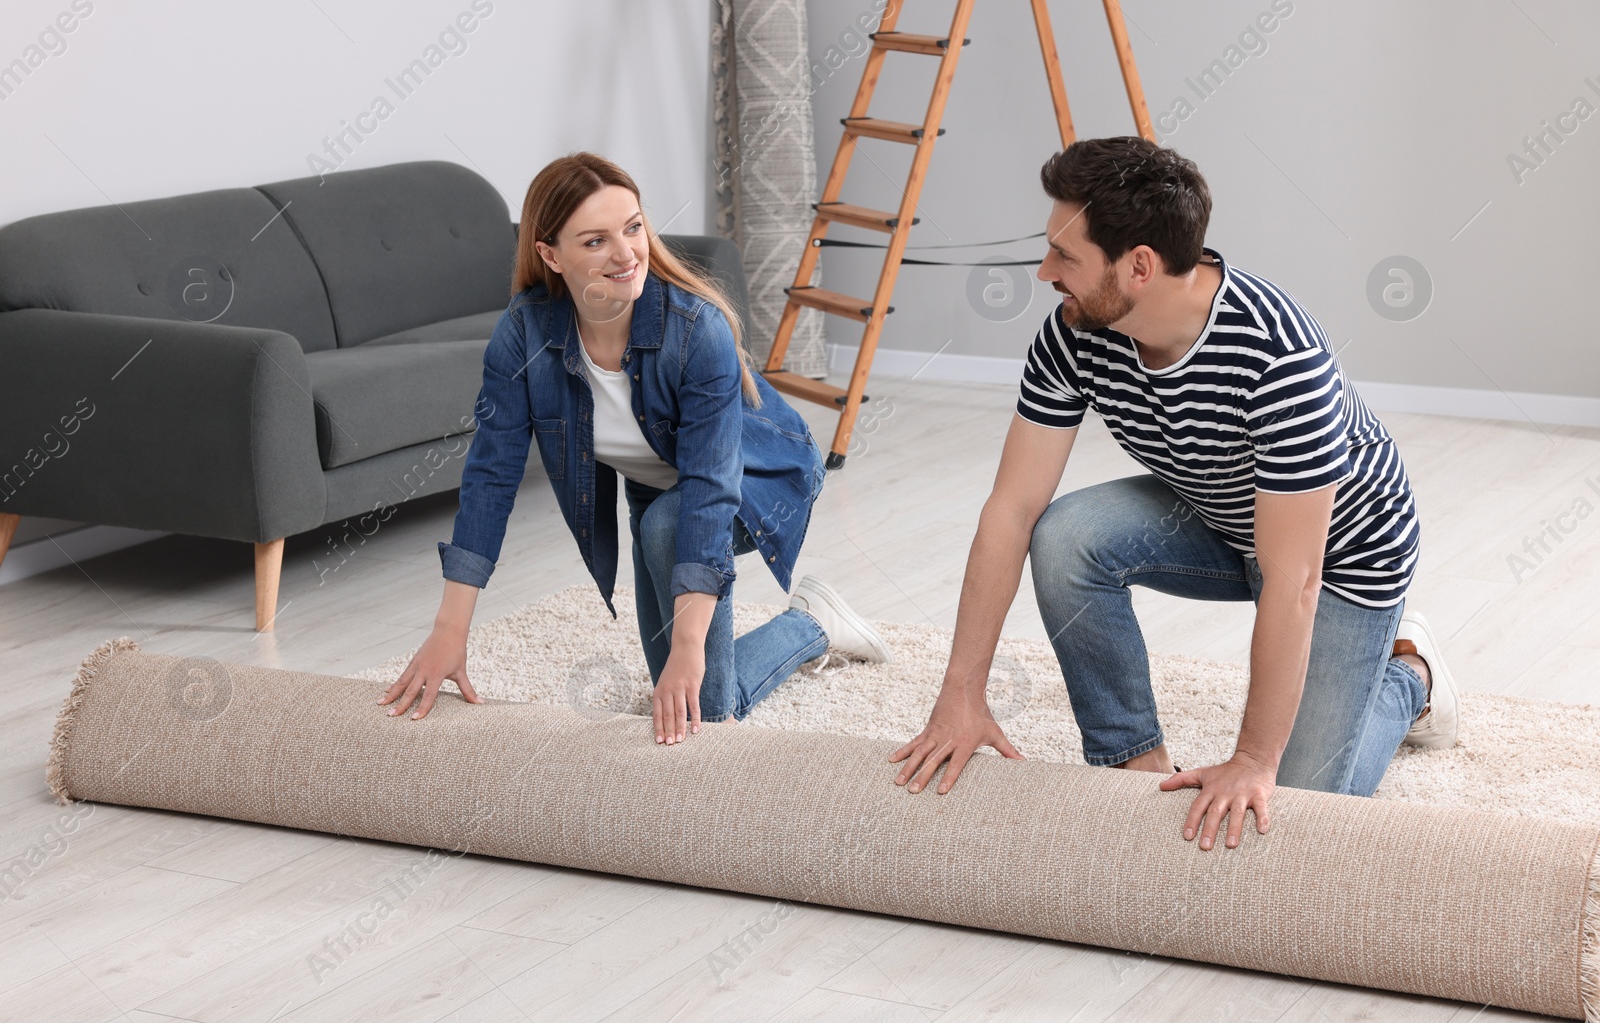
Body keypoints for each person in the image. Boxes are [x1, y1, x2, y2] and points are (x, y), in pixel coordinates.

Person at [891, 137, 1460, 850]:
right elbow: (1011, 509)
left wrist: (1253, 759)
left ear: (1138, 266)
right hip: (1218, 514)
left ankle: (1409, 675)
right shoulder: (1074, 334)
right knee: (1065, 536)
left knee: (1298, 808)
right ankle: (1134, 760)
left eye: (1064, 257)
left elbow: (1295, 578)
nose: (1044, 274)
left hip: (1339, 555)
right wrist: (961, 693)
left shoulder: (1280, 357)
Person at [380, 151, 889, 743]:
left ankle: (807, 628)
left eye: (633, 227)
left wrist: (692, 648)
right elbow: (491, 477)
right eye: (595, 241)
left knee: (704, 707)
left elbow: (709, 489)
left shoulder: (698, 331)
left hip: (758, 478)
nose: (626, 255)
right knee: (674, 699)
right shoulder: (524, 335)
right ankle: (814, 619)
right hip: (657, 493)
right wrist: (450, 630)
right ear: (551, 254)